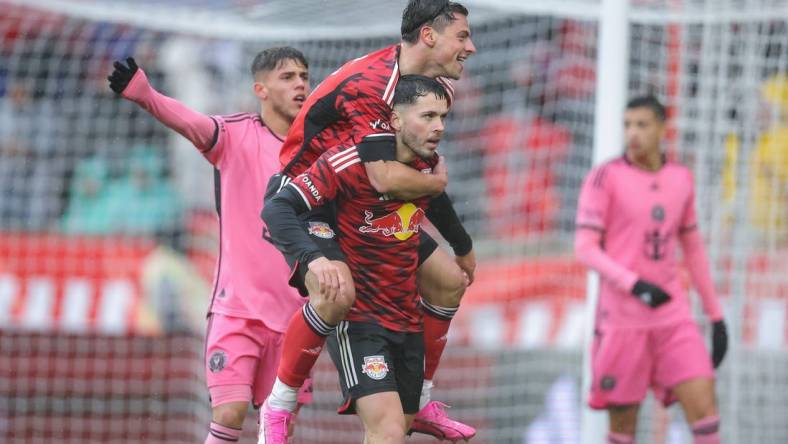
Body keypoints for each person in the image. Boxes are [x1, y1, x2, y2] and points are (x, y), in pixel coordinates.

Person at [262, 1, 477, 440]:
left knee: (449, 280)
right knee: (338, 289)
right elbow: (383, 174)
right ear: (429, 36)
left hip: (366, 202)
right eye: (462, 36)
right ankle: (280, 405)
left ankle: (421, 400)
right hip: (313, 198)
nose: (470, 47)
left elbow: (406, 176)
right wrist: (434, 185)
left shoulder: (432, 95)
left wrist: (462, 245)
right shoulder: (373, 85)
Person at [108, 47, 313, 444]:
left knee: (279, 428)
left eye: (303, 76)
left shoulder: (317, 152)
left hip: (296, 320)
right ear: (261, 89)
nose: (300, 84)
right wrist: (145, 94)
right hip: (237, 310)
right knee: (230, 413)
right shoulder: (236, 134)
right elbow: (192, 124)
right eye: (287, 77)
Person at [575, 96, 728, 444]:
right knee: (623, 429)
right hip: (622, 320)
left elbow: (693, 249)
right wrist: (634, 284)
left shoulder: (681, 178)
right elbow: (584, 248)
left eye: (642, 125)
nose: (633, 133)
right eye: (628, 125)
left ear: (662, 128)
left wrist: (716, 316)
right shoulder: (605, 177)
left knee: (706, 413)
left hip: (672, 317)